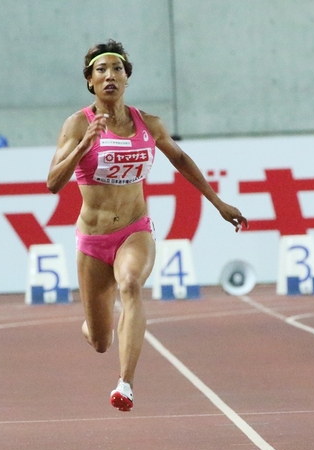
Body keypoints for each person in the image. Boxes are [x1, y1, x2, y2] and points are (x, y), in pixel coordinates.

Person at [48, 40, 248, 412]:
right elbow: (52, 182)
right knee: (99, 340)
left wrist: (218, 203)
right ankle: (94, 326)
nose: (110, 76)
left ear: (127, 78)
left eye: (117, 69)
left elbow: (182, 160)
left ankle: (126, 383)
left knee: (130, 284)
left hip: (134, 231)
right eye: (101, 70)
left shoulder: (148, 124)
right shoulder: (78, 124)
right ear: (90, 82)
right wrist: (82, 146)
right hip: (93, 239)